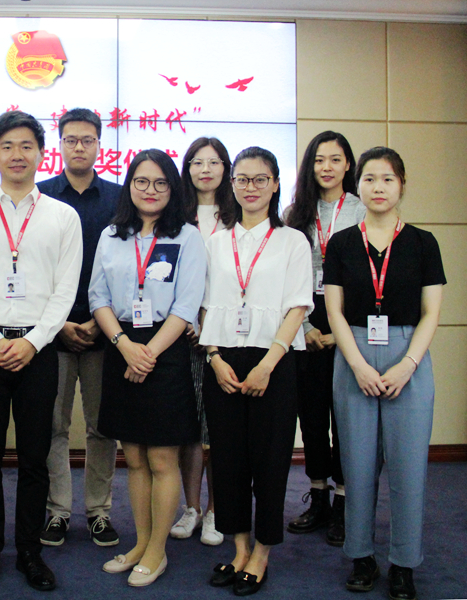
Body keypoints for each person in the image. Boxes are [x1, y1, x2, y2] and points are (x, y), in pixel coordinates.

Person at [0, 111, 83, 592]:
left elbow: (65, 290)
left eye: (27, 145)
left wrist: (32, 341)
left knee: (34, 458)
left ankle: (29, 551)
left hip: (38, 349)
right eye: (7, 146)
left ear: (41, 154)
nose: (17, 154)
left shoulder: (63, 216)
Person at [324, 147, 445, 600]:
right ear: (358, 186)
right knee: (356, 467)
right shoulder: (341, 243)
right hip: (353, 355)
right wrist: (356, 364)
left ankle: (403, 564)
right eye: (370, 178)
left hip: (408, 356)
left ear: (402, 185)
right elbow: (334, 312)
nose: (378, 187)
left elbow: (431, 313)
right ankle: (361, 556)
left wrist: (408, 364)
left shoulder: (423, 243)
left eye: (388, 179)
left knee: (409, 469)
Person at [199, 147, 313, 596]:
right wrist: (214, 358)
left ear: (275, 184)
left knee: (269, 461)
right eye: (242, 179)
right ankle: (239, 548)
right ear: (232, 185)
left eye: (260, 179)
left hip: (274, 363)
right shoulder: (215, 242)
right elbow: (203, 306)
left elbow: (298, 307)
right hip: (223, 362)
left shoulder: (292, 241)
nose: (250, 187)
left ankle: (262, 552)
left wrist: (267, 365)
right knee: (227, 461)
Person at [91, 149, 206, 587]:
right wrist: (125, 347)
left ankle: (157, 551)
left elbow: (187, 304)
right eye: (142, 181)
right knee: (134, 456)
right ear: (130, 185)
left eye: (160, 183)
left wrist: (148, 353)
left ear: (172, 189)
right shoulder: (111, 235)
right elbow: (98, 297)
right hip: (121, 346)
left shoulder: (187, 237)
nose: (150, 190)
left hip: (166, 349)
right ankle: (140, 543)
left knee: (161, 457)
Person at [37, 108, 122, 548]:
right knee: (52, 426)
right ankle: (57, 511)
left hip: (104, 331)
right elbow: (31, 268)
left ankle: (98, 511)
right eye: (71, 140)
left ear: (99, 144)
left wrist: (99, 321)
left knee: (101, 426)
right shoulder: (40, 195)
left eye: (88, 140)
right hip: (51, 333)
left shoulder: (120, 199)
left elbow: (127, 268)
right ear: (60, 144)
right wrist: (59, 323)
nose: (79, 147)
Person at [284, 131, 365, 546]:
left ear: (348, 164)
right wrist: (305, 328)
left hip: (349, 320)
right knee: (312, 417)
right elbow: (286, 278)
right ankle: (317, 496)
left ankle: (344, 502)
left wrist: (340, 332)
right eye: (319, 160)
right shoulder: (294, 213)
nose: (327, 167)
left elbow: (370, 279)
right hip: (305, 318)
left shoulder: (363, 210)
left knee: (346, 419)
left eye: (335, 159)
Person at [170, 137, 237, 547]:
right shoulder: (175, 215)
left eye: (214, 162)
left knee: (221, 427)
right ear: (187, 168)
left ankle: (216, 510)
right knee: (189, 427)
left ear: (226, 168)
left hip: (227, 334)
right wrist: (187, 320)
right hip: (181, 333)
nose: (206, 169)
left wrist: (210, 325)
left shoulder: (239, 214)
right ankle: (191, 508)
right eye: (197, 162)